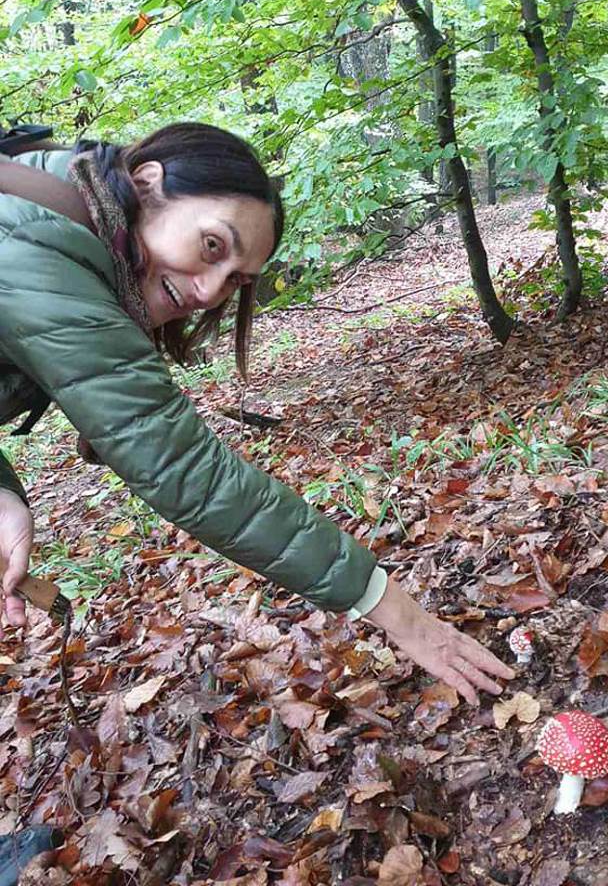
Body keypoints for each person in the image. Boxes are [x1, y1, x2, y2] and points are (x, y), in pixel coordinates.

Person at [0, 122, 513, 704]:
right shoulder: (35, 243)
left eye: (236, 280)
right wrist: (402, 617)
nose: (211, 290)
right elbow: (183, 469)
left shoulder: (54, 226)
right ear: (146, 185)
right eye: (213, 246)